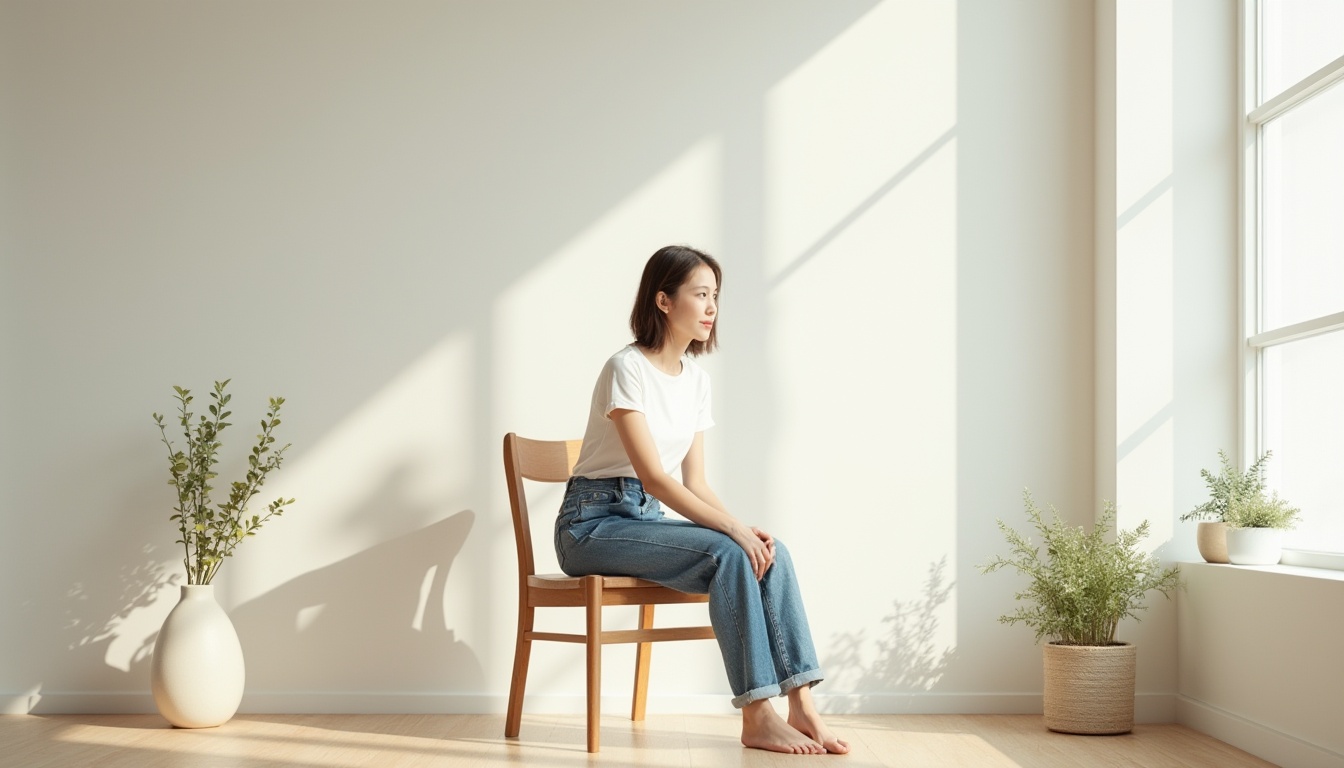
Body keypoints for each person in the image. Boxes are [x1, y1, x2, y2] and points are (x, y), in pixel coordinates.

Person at [553, 245, 849, 755]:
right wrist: (730, 533)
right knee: (730, 551)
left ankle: (802, 706)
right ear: (663, 301)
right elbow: (655, 476)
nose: (712, 307)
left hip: (644, 520)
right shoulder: (626, 368)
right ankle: (757, 715)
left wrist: (743, 527)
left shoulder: (695, 381)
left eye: (715, 296)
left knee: (768, 553)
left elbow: (696, 482)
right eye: (700, 294)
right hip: (590, 525)